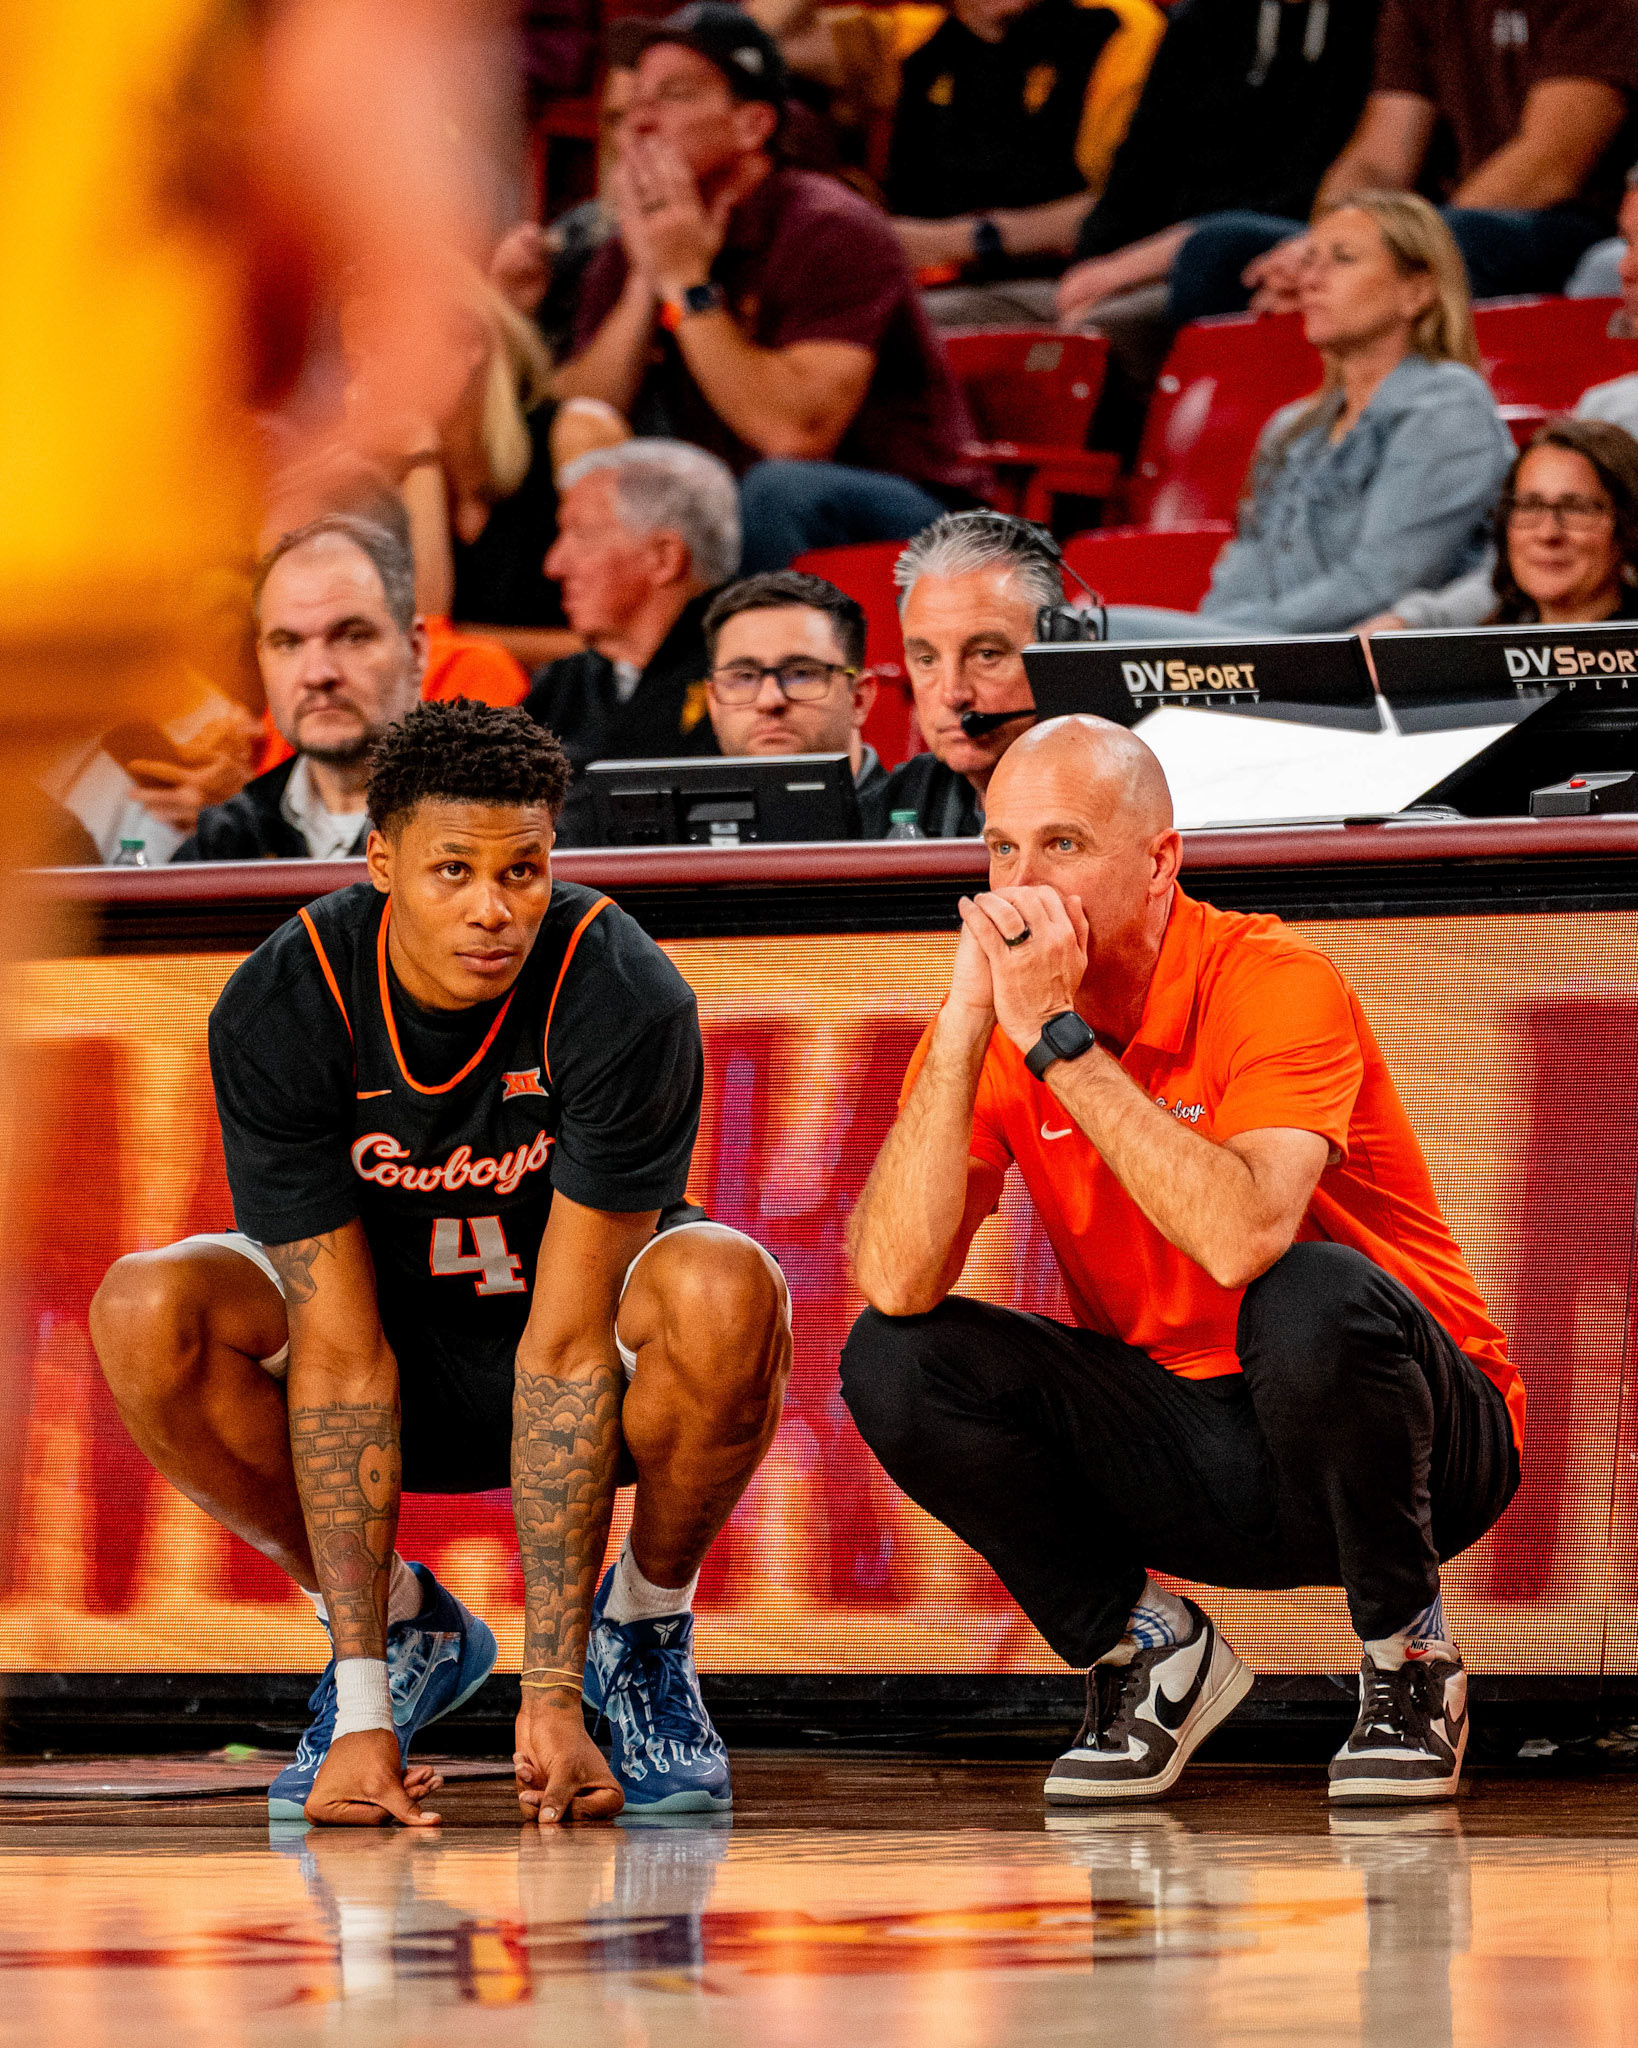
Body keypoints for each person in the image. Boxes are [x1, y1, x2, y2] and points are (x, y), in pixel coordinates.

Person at [90, 698, 791, 1827]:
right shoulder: (284, 999)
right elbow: (337, 1351)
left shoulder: (620, 987)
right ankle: (398, 1630)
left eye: (523, 871)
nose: (492, 908)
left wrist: (551, 1694)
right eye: (452, 870)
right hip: (379, 1351)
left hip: (562, 1353)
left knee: (725, 1283)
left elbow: (565, 1355)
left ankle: (642, 1635)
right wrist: (365, 1706)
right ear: (379, 861)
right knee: (145, 1305)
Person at [843, 714, 1522, 1806]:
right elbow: (896, 1279)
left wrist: (1058, 1042)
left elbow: (1243, 1234)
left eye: (1060, 845)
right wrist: (970, 1019)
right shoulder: (1003, 1014)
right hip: (1192, 1440)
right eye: (1000, 850)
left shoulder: (1274, 974)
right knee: (891, 1355)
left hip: (1424, 1438)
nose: (1021, 885)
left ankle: (1410, 1657)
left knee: (1307, 1290)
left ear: (1159, 861)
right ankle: (1149, 1647)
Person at [555, 3, 990, 573]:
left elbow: (794, 432)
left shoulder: (832, 228)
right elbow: (582, 408)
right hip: (740, 500)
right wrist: (645, 280)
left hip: (913, 517)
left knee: (777, 489)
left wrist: (688, 283)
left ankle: (752, 658)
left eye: (675, 96)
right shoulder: (641, 237)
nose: (640, 121)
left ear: (753, 125)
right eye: (635, 103)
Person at [1106, 194, 1516, 640]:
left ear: (1417, 292)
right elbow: (1243, 570)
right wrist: (1213, 644)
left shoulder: (1446, 406)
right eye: (1311, 260)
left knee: (1082, 633)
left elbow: (1383, 583)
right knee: (1068, 633)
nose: (1311, 281)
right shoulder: (1292, 427)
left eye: (1342, 260)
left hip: (1357, 657)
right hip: (1263, 644)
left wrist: (1220, 640)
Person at [1168, 0, 1638, 322]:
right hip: (1438, 220)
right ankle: (1265, 439)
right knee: (1217, 253)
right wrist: (1323, 247)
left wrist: (1383, 247)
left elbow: (1547, 166)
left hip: (1565, 225)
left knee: (1461, 241)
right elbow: (1380, 160)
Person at [1049, 0, 1380, 452]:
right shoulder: (1199, 21)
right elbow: (1137, 168)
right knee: (1042, 339)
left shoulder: (1370, 21)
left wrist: (1140, 262)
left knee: (1122, 326)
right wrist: (1091, 264)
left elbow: (1323, 187)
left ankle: (1194, 480)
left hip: (1276, 242)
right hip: (1158, 256)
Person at [761, 0, 1165, 330]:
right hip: (921, 282)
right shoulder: (913, 35)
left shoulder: (1118, 25)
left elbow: (1133, 203)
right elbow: (752, 42)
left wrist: (958, 241)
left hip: (1062, 283)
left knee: (864, 331)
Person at [526, 440, 740, 845]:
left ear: (664, 557)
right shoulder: (561, 685)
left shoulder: (747, 676)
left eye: (582, 534)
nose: (553, 565)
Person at [175, 517, 426, 861]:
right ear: (262, 660)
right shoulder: (224, 842)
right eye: (288, 643)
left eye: (353, 636)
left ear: (416, 651)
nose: (318, 674)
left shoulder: (499, 822)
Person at [867, 511, 1058, 838]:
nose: (952, 694)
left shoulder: (1124, 799)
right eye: (927, 659)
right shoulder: (892, 805)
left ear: (1060, 649)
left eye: (987, 655)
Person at [1368, 419, 1638, 636]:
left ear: (1628, 523)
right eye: (1530, 506)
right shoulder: (1474, 658)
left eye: (1577, 509)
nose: (1548, 534)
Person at [702, 570, 888, 812]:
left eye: (801, 674)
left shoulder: (924, 831)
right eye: (744, 677)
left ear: (859, 699)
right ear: (713, 702)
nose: (769, 700)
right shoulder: (677, 843)